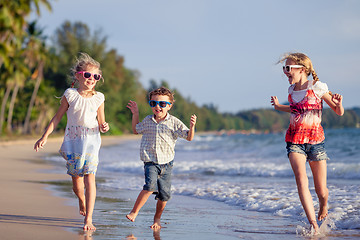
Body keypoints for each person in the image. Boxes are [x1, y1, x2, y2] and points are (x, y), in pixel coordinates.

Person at [34, 52, 110, 231]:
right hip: (74, 141)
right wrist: (44, 137)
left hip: (91, 141)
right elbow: (57, 117)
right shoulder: (70, 94)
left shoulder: (99, 97)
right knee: (77, 183)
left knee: (90, 177)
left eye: (96, 76)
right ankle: (81, 199)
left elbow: (101, 122)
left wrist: (104, 127)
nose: (92, 79)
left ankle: (89, 218)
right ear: (78, 76)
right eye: (88, 75)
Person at [270, 52, 344, 233]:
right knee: (301, 180)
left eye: (288, 68)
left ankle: (323, 204)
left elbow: (338, 111)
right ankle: (313, 224)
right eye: (284, 68)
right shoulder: (291, 91)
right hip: (294, 141)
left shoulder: (318, 87)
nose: (285, 72)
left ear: (302, 70)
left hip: (316, 142)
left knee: (321, 190)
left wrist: (339, 104)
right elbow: (295, 109)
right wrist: (279, 107)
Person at [126, 86, 197, 229]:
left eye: (162, 104)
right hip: (150, 162)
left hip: (167, 164)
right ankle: (134, 212)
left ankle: (157, 218)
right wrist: (135, 113)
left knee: (164, 196)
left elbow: (188, 137)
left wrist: (192, 126)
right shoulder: (147, 120)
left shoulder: (174, 122)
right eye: (153, 103)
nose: (157, 106)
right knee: (149, 187)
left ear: (169, 106)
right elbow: (135, 130)